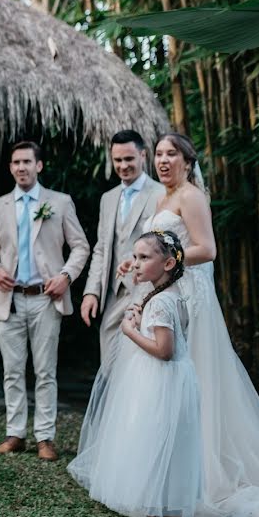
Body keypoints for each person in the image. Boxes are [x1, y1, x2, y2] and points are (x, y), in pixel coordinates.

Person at [117, 133, 259, 517]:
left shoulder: (191, 195)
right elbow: (159, 245)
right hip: (166, 291)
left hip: (189, 300)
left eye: (171, 154)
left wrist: (165, 260)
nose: (163, 160)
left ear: (186, 159)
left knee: (186, 384)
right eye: (159, 154)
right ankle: (159, 480)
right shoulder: (163, 199)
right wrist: (139, 258)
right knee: (159, 393)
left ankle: (198, 477)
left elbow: (208, 249)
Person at [69, 230, 202, 517]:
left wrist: (130, 330)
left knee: (159, 455)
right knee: (159, 454)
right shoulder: (166, 295)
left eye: (145, 258)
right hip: (167, 383)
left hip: (162, 384)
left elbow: (164, 350)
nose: (136, 264)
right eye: (136, 256)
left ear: (168, 263)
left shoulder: (161, 303)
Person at [0, 141, 90, 461]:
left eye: (27, 161)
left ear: (39, 166)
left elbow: (80, 246)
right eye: (16, 162)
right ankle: (16, 434)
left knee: (45, 371)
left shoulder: (60, 202)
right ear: (11, 167)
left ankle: (45, 437)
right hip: (9, 298)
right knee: (12, 371)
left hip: (45, 297)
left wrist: (65, 276)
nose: (21, 167)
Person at [80, 130, 162, 372]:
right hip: (114, 293)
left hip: (148, 290)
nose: (123, 165)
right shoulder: (108, 198)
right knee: (108, 361)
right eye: (118, 160)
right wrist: (91, 292)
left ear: (143, 156)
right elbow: (102, 249)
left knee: (141, 365)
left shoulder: (160, 194)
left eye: (129, 159)